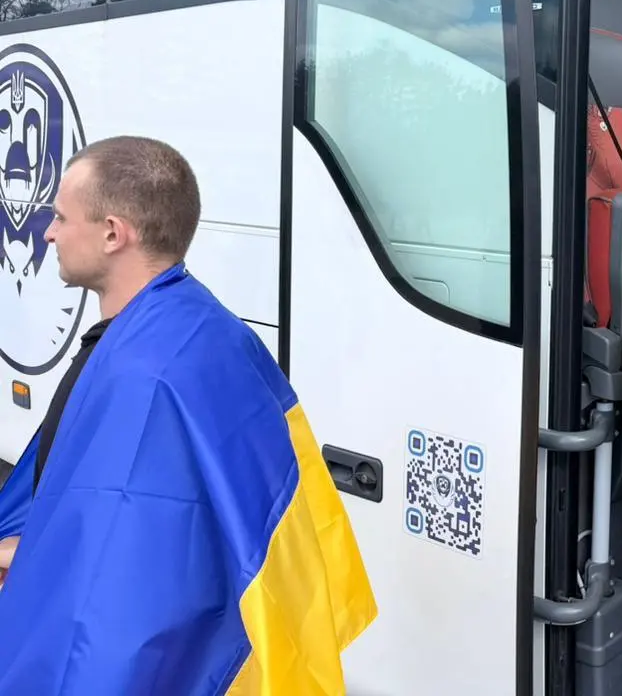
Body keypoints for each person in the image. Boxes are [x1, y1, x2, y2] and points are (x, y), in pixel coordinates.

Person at [0, 136, 376, 694]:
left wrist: (36, 564)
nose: (49, 232)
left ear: (113, 233)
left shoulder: (143, 375)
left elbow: (113, 580)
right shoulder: (204, 327)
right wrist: (35, 543)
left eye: (60, 217)